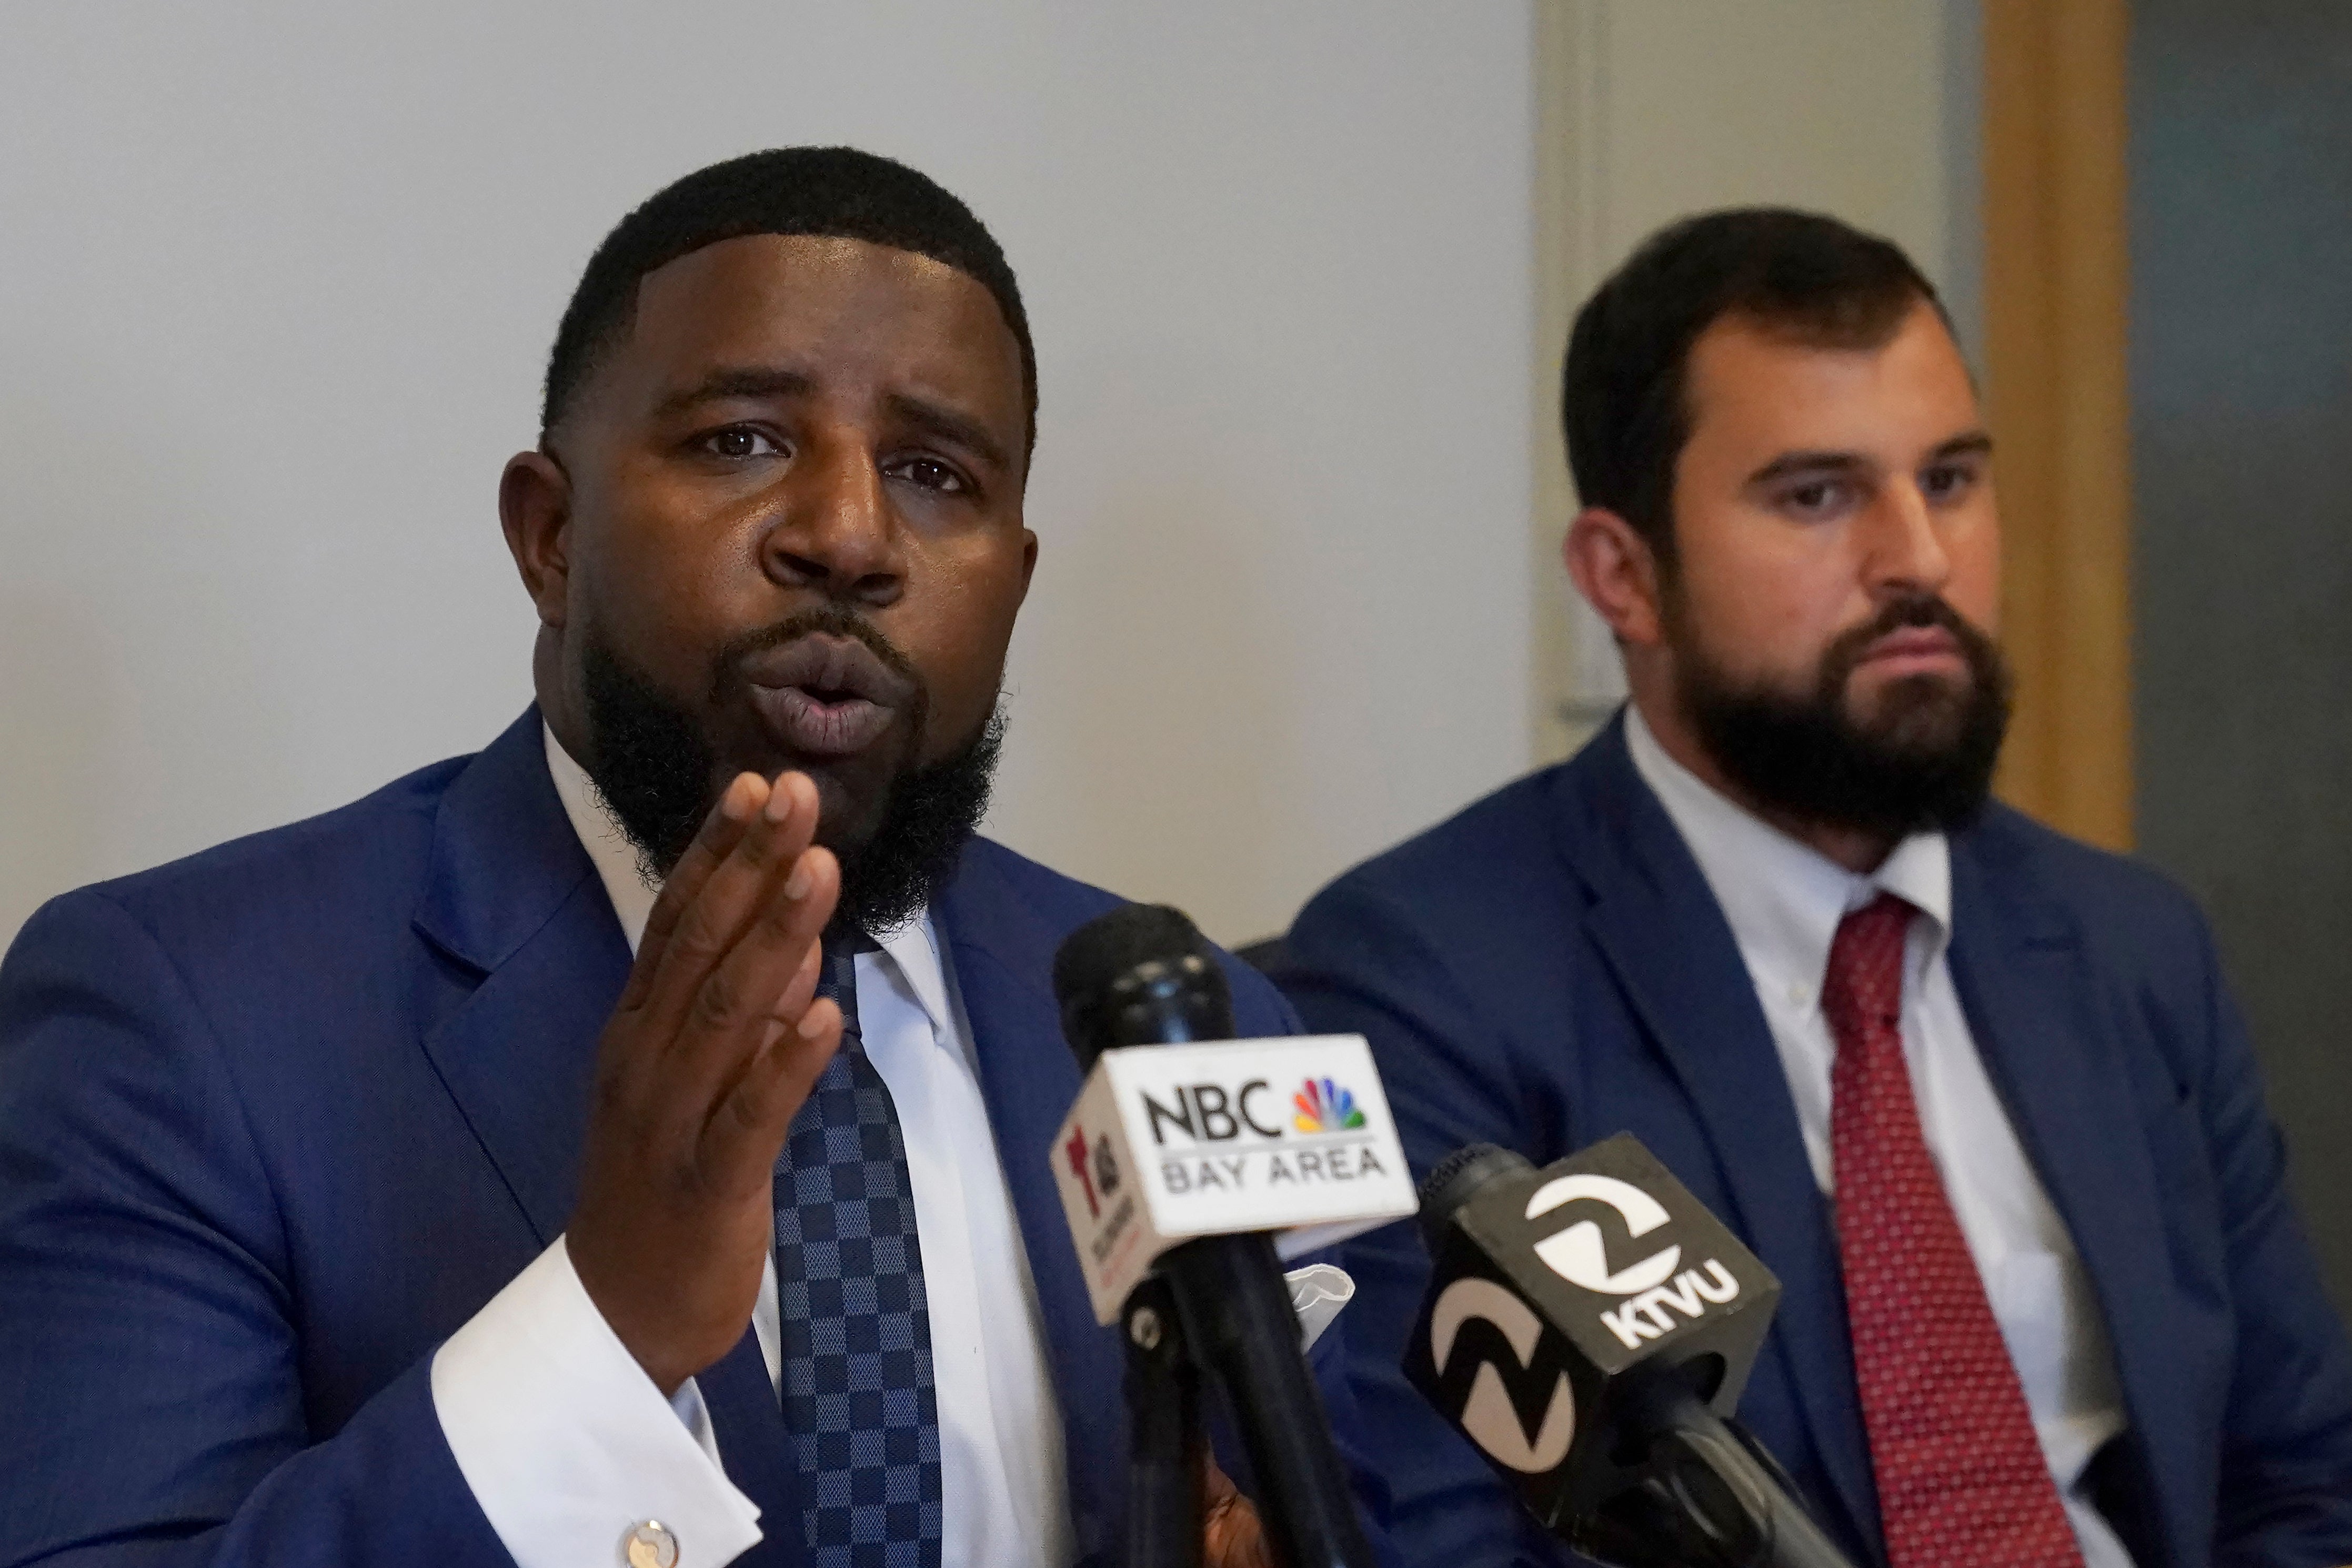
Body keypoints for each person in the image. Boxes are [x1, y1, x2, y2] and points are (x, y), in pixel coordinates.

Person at [0, 148, 1390, 1568]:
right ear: (550, 536)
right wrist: (605, 1327)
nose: (849, 535)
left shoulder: (1200, 1027)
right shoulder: (175, 1017)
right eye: (742, 440)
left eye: (933, 472)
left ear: (1013, 582)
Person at [1276, 208, 2352, 1567]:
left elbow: (2303, 1482)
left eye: (1951, 478)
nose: (1918, 557)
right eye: (1818, 495)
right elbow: (1436, 1546)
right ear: (1625, 575)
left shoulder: (2133, 946)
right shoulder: (1422, 980)